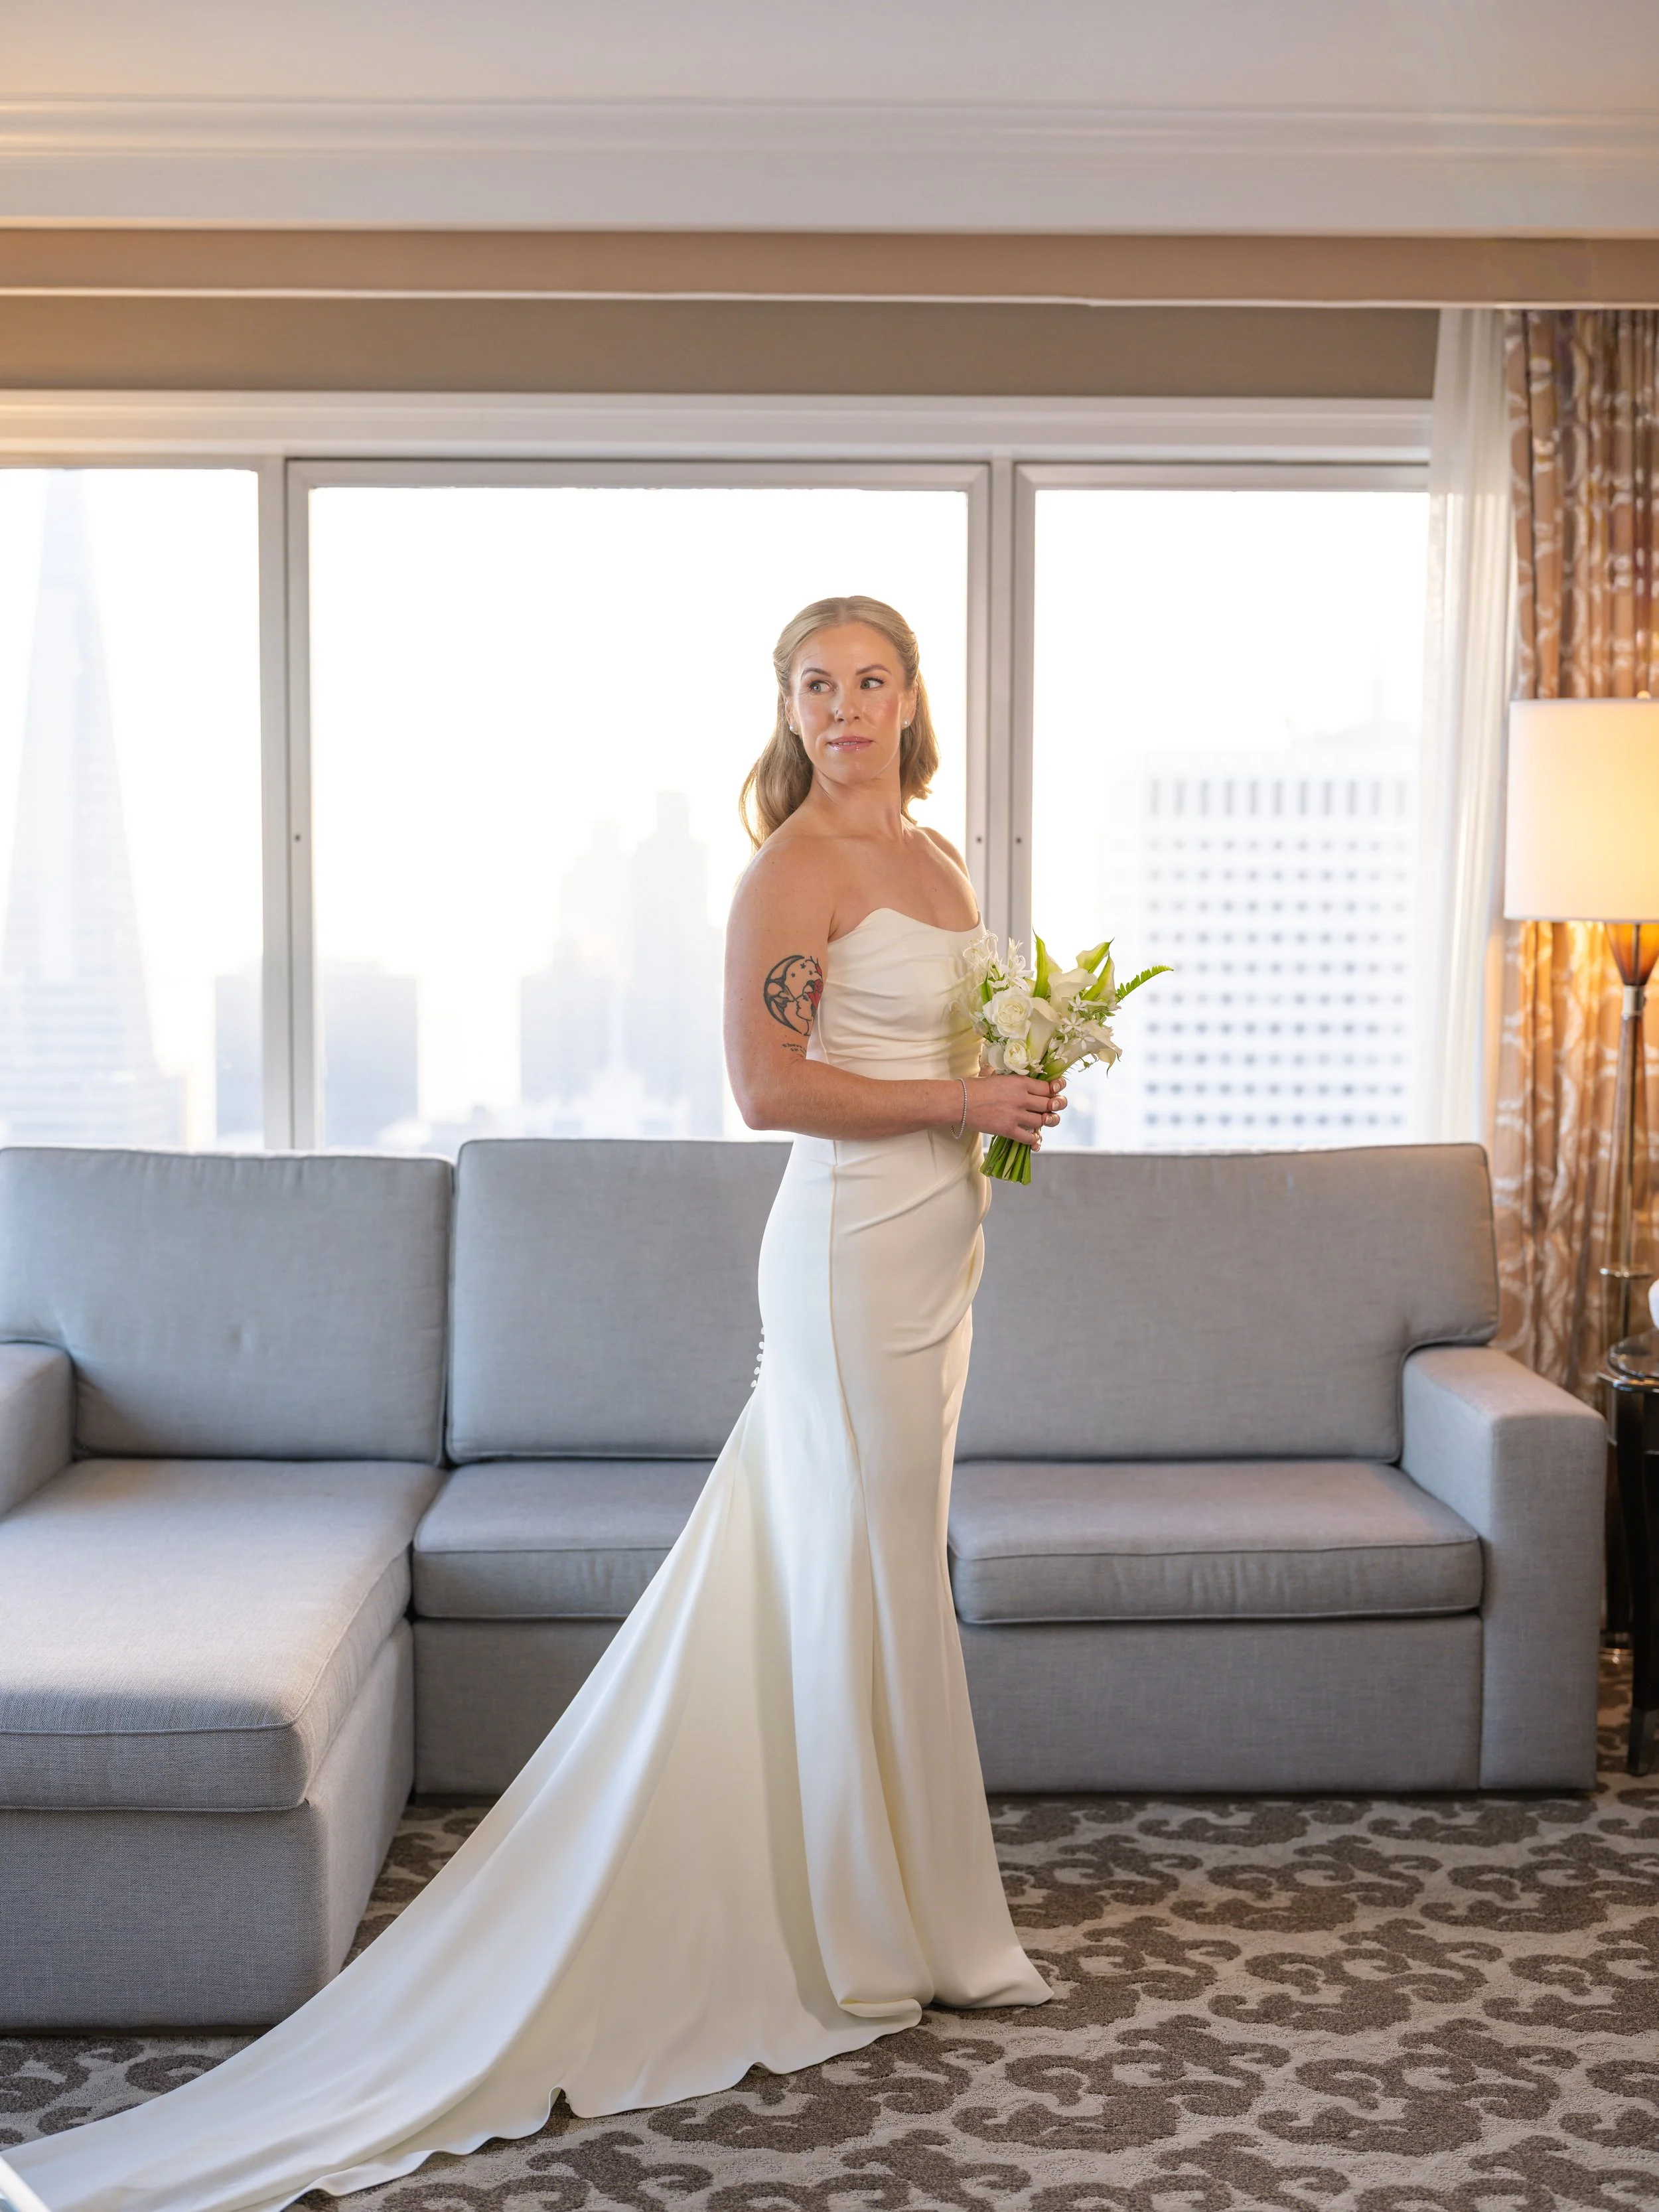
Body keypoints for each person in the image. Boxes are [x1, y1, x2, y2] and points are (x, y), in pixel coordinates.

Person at [0, 595, 1059, 2212]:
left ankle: (913, 1908)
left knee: (884, 1576)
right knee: (844, 1570)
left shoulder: (943, 863)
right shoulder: (790, 869)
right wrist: (958, 1097)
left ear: (914, 697)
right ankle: (861, 1929)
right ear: (783, 709)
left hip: (938, 1260)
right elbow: (770, 1089)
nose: (842, 707)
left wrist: (1009, 1104)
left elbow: (953, 1041)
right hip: (844, 1257)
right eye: (812, 684)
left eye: (868, 680)